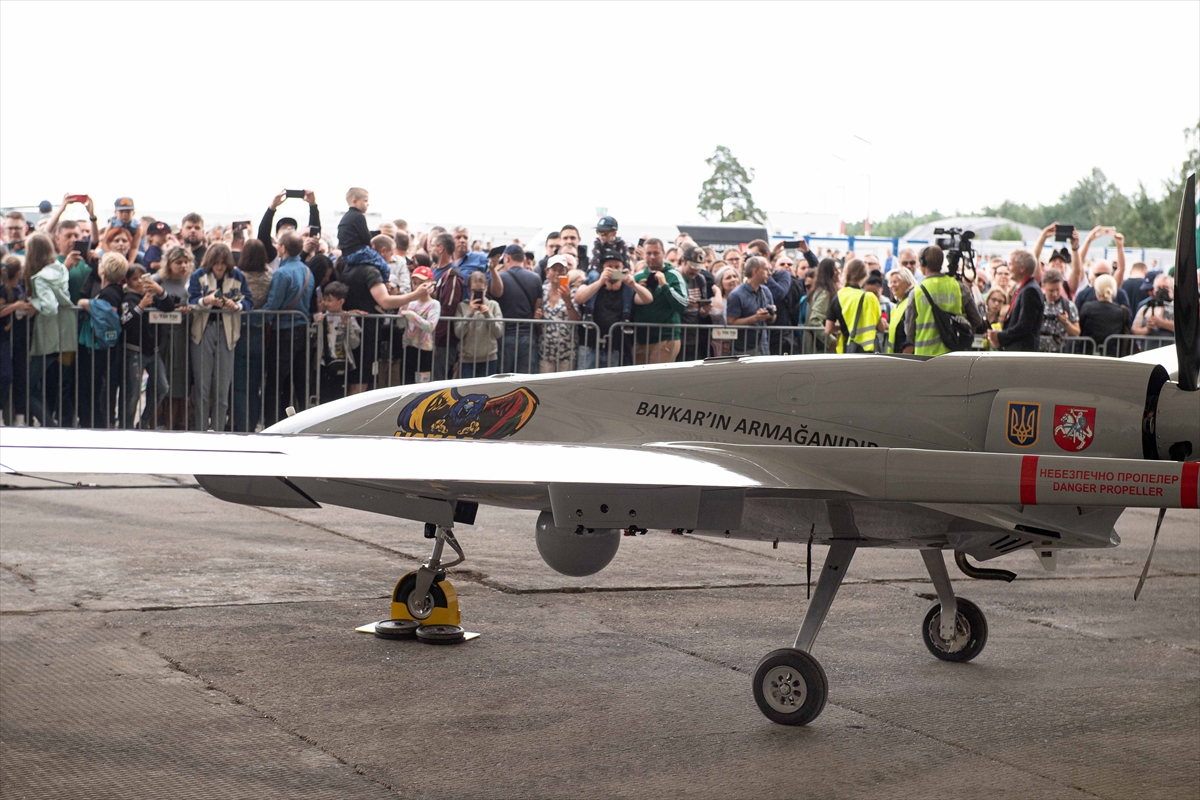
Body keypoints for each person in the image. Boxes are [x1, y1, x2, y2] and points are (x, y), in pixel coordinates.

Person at [187, 244, 252, 431]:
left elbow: (248, 300)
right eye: (216, 263)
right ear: (210, 262)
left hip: (228, 331)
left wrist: (236, 305)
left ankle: (218, 430)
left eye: (223, 263)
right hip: (203, 330)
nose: (220, 267)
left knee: (223, 387)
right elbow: (191, 301)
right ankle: (201, 429)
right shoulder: (199, 275)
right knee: (202, 386)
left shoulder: (237, 276)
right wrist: (206, 300)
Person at [261, 232, 313, 426]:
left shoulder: (282, 273)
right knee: (299, 382)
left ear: (282, 248)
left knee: (275, 382)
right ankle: (301, 424)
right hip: (302, 329)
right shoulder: (307, 270)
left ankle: (272, 424)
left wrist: (251, 318)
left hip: (284, 332)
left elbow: (273, 305)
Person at [573, 247, 653, 369]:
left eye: (617, 267)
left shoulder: (627, 290)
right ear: (603, 269)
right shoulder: (593, 282)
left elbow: (648, 299)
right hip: (589, 345)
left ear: (623, 269)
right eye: (609, 266)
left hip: (616, 347)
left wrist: (633, 284)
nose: (614, 270)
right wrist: (600, 282)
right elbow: (579, 298)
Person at [76, 252, 130, 428]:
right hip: (102, 348)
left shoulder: (109, 293)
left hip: (99, 348)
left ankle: (92, 424)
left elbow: (105, 315)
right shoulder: (114, 291)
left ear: (105, 271)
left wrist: (86, 303)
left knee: (92, 388)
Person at [119, 264, 174, 428]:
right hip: (134, 351)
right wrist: (141, 306)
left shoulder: (151, 295)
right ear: (128, 281)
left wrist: (159, 290)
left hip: (153, 350)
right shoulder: (128, 298)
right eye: (134, 279)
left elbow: (169, 307)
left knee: (162, 386)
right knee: (133, 394)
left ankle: (143, 421)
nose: (138, 282)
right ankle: (126, 426)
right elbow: (125, 321)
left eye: (141, 278)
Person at [230, 240, 272, 432]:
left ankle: (243, 426)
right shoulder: (270, 277)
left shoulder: (238, 278)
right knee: (254, 387)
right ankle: (253, 424)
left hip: (239, 333)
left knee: (240, 387)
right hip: (260, 333)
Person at [152, 246, 195, 429]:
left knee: (180, 381)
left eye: (186, 262)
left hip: (183, 337)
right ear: (169, 264)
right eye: (179, 262)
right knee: (160, 380)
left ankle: (178, 421)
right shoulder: (158, 280)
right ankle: (156, 419)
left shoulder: (191, 282)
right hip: (161, 337)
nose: (183, 266)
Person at [630, 239, 688, 364]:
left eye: (656, 253)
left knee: (657, 379)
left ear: (663, 253)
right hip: (641, 338)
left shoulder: (674, 275)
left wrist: (665, 286)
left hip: (666, 337)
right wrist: (641, 290)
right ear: (643, 254)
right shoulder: (638, 276)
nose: (652, 257)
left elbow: (683, 305)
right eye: (648, 253)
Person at [903, 246, 964, 356]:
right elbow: (975, 320)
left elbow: (909, 329)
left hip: (923, 355)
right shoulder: (957, 286)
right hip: (952, 353)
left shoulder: (917, 291)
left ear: (922, 262)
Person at [495, 244, 541, 374]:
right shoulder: (536, 278)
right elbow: (537, 307)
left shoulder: (500, 278)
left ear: (507, 258)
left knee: (503, 378)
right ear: (524, 259)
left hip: (506, 335)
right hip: (528, 335)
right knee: (525, 381)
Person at [987, 250, 1043, 352]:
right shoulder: (1024, 288)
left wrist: (1000, 336)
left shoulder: (1030, 290)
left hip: (1022, 352)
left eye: (1010, 264)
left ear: (1022, 268)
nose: (1008, 268)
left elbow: (1024, 326)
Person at [428, 232, 465, 381]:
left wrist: (436, 340)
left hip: (443, 343)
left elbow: (447, 310)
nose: (430, 249)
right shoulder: (434, 270)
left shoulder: (452, 275)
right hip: (430, 338)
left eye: (432, 246)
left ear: (440, 248)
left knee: (438, 384)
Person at [454, 271, 504, 378]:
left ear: (486, 288)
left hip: (489, 357)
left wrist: (487, 314)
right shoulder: (462, 306)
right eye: (474, 291)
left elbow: (499, 332)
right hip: (467, 358)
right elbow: (458, 333)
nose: (477, 293)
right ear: (469, 290)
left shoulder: (493, 305)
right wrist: (469, 314)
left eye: (481, 291)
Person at [534, 255, 579, 372]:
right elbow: (536, 318)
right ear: (547, 272)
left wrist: (568, 301)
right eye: (554, 270)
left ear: (566, 273)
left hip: (567, 351)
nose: (557, 273)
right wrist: (537, 318)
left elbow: (576, 320)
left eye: (561, 270)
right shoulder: (541, 291)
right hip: (546, 350)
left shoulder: (573, 292)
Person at [0, 256, 31, 424]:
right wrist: (15, 307)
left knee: (21, 377)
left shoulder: (20, 288)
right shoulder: (4, 290)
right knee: (5, 376)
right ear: (19, 272)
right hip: (5, 338)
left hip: (19, 338)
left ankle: (21, 417)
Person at [826, 259, 879, 354]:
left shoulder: (839, 296)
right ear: (865, 276)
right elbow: (881, 327)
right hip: (868, 350)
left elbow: (828, 329)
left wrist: (843, 326)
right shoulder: (870, 298)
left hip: (846, 349)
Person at [726, 256, 776, 356]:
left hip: (763, 346)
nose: (769, 273)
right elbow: (730, 322)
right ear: (755, 271)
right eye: (766, 269)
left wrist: (771, 314)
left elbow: (773, 319)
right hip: (743, 349)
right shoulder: (737, 295)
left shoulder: (766, 291)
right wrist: (755, 318)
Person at [398, 266, 440, 385]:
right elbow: (400, 324)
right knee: (406, 382)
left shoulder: (434, 304)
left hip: (424, 349)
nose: (417, 286)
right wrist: (404, 306)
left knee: (422, 384)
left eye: (421, 283)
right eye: (415, 283)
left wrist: (410, 314)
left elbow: (430, 326)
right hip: (408, 347)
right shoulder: (410, 303)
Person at [259, 189, 321, 265]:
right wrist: (272, 208)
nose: (288, 229)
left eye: (292, 228)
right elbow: (263, 235)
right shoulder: (273, 255)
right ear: (277, 236)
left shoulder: (305, 253)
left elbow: (313, 232)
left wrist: (313, 205)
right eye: (284, 228)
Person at [676, 246, 715, 361]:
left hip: (694, 334)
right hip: (677, 332)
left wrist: (703, 311)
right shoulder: (674, 277)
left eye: (698, 268)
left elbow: (701, 310)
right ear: (683, 261)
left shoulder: (700, 279)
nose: (695, 271)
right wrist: (683, 303)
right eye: (692, 267)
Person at [1079, 274, 1130, 357]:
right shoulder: (1122, 311)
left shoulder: (1087, 307)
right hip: (1113, 355)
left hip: (1088, 354)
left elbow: (1080, 328)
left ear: (1096, 291)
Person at [1038, 268, 1080, 353]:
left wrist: (1066, 322)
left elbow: (1076, 333)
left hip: (1060, 352)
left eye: (1058, 290)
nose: (1055, 294)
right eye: (1051, 290)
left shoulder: (1068, 305)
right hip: (1038, 351)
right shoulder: (1037, 303)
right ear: (1043, 287)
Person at [803, 258, 839, 354]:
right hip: (820, 349)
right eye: (835, 270)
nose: (838, 272)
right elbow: (814, 321)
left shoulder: (819, 291)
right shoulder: (825, 293)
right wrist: (831, 341)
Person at [1131, 273, 1175, 346]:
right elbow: (1135, 329)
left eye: (1165, 287)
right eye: (1159, 288)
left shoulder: (1179, 308)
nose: (1162, 291)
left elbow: (1185, 329)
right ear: (1154, 291)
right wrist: (1147, 329)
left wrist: (1162, 323)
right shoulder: (1145, 308)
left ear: (1172, 290)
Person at [886, 266, 915, 354]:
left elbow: (911, 337)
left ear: (908, 282)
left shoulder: (911, 302)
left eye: (895, 282)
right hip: (896, 357)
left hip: (906, 358)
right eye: (890, 283)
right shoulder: (898, 305)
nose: (892, 286)